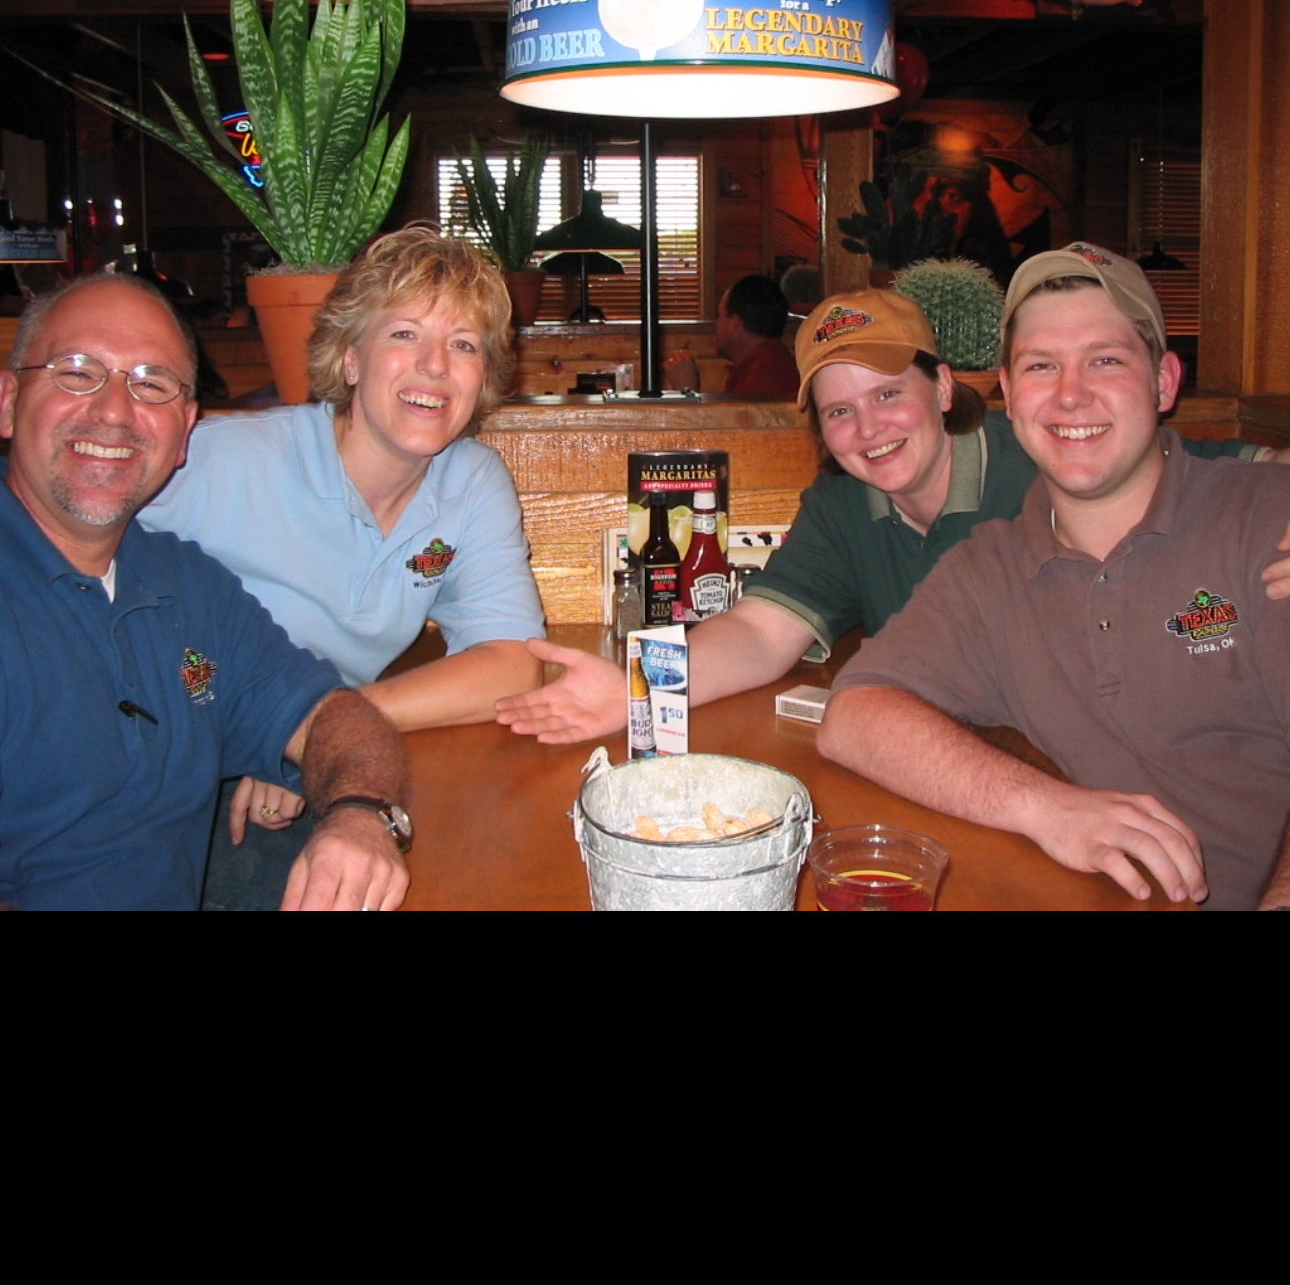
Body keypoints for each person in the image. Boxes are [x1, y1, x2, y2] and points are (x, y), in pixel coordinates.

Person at [498, 274, 1290, 752]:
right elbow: (757, 634)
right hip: (983, 762)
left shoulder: (1050, 456)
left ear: (943, 390)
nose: (869, 428)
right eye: (839, 412)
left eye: (888, 395)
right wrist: (636, 688)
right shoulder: (844, 504)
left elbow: (1226, 471)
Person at [818, 247, 1290, 907]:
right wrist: (1044, 807)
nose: (1071, 393)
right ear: (1009, 395)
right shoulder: (989, 568)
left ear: (1163, 381)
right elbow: (853, 717)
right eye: (1042, 365)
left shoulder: (1266, 519)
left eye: (1105, 359)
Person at [137, 227, 545, 907]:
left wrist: (311, 731)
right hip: (178, 775)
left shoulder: (470, 482)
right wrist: (271, 734)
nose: (436, 365)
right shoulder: (223, 461)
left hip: (319, 775)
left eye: (464, 345)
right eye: (405, 335)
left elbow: (512, 663)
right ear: (351, 359)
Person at [0, 274, 412, 911]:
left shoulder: (185, 584)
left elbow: (334, 717)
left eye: (151, 383)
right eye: (77, 371)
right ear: (7, 399)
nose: (113, 410)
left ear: (186, 427)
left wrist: (360, 817)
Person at [663, 274, 800, 398]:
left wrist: (688, 392)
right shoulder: (768, 364)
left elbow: (729, 426)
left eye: (720, 316)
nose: (717, 325)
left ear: (734, 323)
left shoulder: (764, 379)